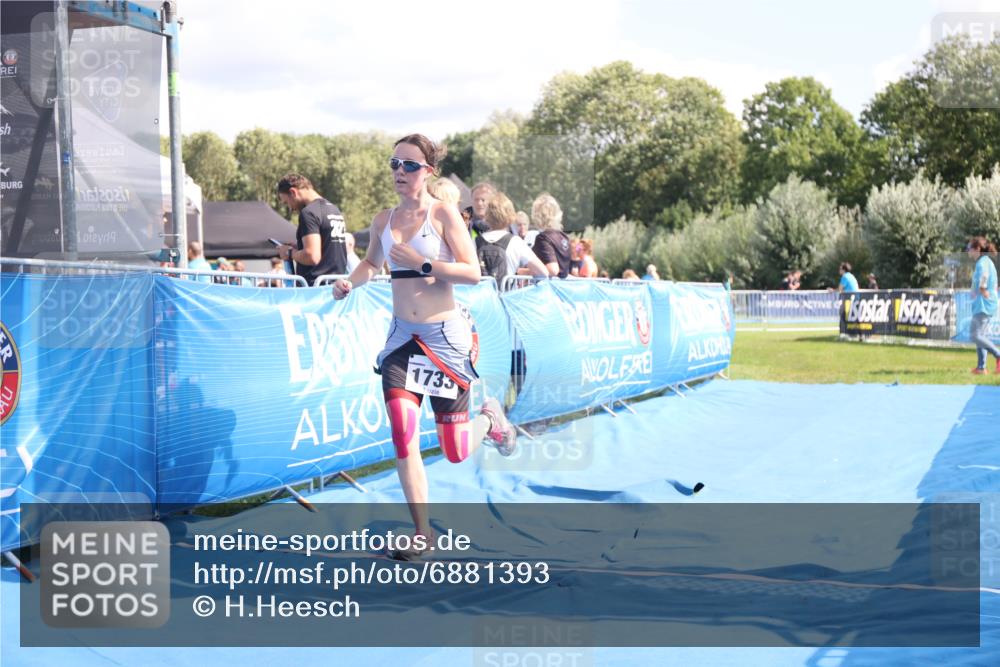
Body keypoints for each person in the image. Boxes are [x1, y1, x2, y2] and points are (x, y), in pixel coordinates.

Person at [332, 134, 517, 559]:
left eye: (410, 165)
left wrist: (423, 263)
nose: (400, 171)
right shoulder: (383, 220)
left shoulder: (443, 213)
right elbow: (371, 264)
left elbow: (472, 272)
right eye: (395, 163)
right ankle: (422, 533)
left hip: (444, 340)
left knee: (453, 450)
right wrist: (349, 282)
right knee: (403, 430)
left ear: (428, 172)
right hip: (401, 339)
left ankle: (491, 422)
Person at [276, 174, 348, 286]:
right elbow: (327, 247)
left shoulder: (308, 213)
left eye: (286, 202)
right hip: (336, 287)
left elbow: (312, 256)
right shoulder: (334, 209)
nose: (290, 208)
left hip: (315, 290)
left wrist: (289, 252)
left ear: (293, 192)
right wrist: (299, 247)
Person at [477, 191, 548, 282]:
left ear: (487, 215)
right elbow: (543, 272)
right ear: (510, 215)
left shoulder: (475, 241)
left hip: (481, 295)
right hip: (506, 294)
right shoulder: (516, 242)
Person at [966, 237, 1000, 375]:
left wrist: (981, 289)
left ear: (977, 249)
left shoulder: (982, 263)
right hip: (984, 303)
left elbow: (984, 277)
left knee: (975, 335)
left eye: (969, 249)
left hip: (984, 304)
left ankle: (998, 355)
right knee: (980, 334)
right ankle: (981, 367)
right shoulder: (985, 261)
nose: (968, 251)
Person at [530, 193, 571, 278]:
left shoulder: (543, 238)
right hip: (561, 288)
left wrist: (522, 272)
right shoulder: (564, 237)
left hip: (548, 289)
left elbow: (553, 270)